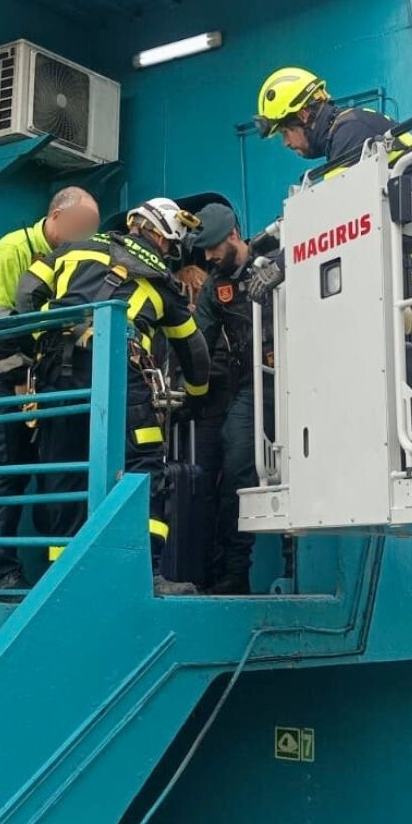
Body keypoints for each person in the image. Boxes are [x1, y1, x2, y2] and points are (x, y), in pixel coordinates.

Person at [254, 66, 412, 464]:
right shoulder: (350, 132)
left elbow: (339, 214)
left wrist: (283, 263)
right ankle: (410, 459)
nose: (287, 143)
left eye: (284, 131)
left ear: (304, 115)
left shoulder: (350, 131)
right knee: (395, 359)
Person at [19, 197, 212, 595]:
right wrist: (197, 395)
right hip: (121, 374)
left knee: (65, 470)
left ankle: (63, 580)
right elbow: (194, 351)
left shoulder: (73, 250)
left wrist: (44, 339)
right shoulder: (163, 285)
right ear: (163, 239)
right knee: (145, 467)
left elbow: (26, 293)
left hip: (57, 374)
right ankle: (146, 573)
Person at [0, 187, 102, 590]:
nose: (86, 235)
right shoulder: (10, 251)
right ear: (57, 217)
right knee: (4, 467)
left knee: (36, 465)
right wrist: (18, 382)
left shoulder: (70, 260)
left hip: (29, 371)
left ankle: (17, 566)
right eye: (81, 226)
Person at [186, 203, 262, 594]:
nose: (210, 256)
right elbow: (198, 337)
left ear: (233, 234)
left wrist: (280, 271)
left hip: (303, 379)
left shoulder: (275, 257)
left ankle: (292, 560)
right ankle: (235, 573)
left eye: (215, 246)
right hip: (250, 385)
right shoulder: (216, 286)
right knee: (235, 466)